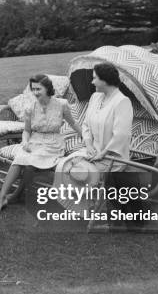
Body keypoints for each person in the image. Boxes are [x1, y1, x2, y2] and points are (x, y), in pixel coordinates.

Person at [0, 73, 82, 214]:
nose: (35, 92)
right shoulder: (30, 107)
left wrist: (87, 138)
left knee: (29, 162)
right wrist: (25, 141)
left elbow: (74, 123)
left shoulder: (61, 105)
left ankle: (15, 195)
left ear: (47, 88)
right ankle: (0, 198)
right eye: (33, 89)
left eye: (38, 89)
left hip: (53, 144)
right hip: (35, 141)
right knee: (21, 160)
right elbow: (26, 130)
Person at [55, 62, 133, 211]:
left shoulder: (122, 102)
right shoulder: (96, 97)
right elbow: (85, 125)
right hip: (93, 150)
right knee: (64, 165)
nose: (92, 82)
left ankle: (87, 207)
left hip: (112, 158)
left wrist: (102, 154)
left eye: (95, 78)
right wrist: (89, 145)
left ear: (105, 80)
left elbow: (121, 136)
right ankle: (81, 207)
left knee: (78, 170)